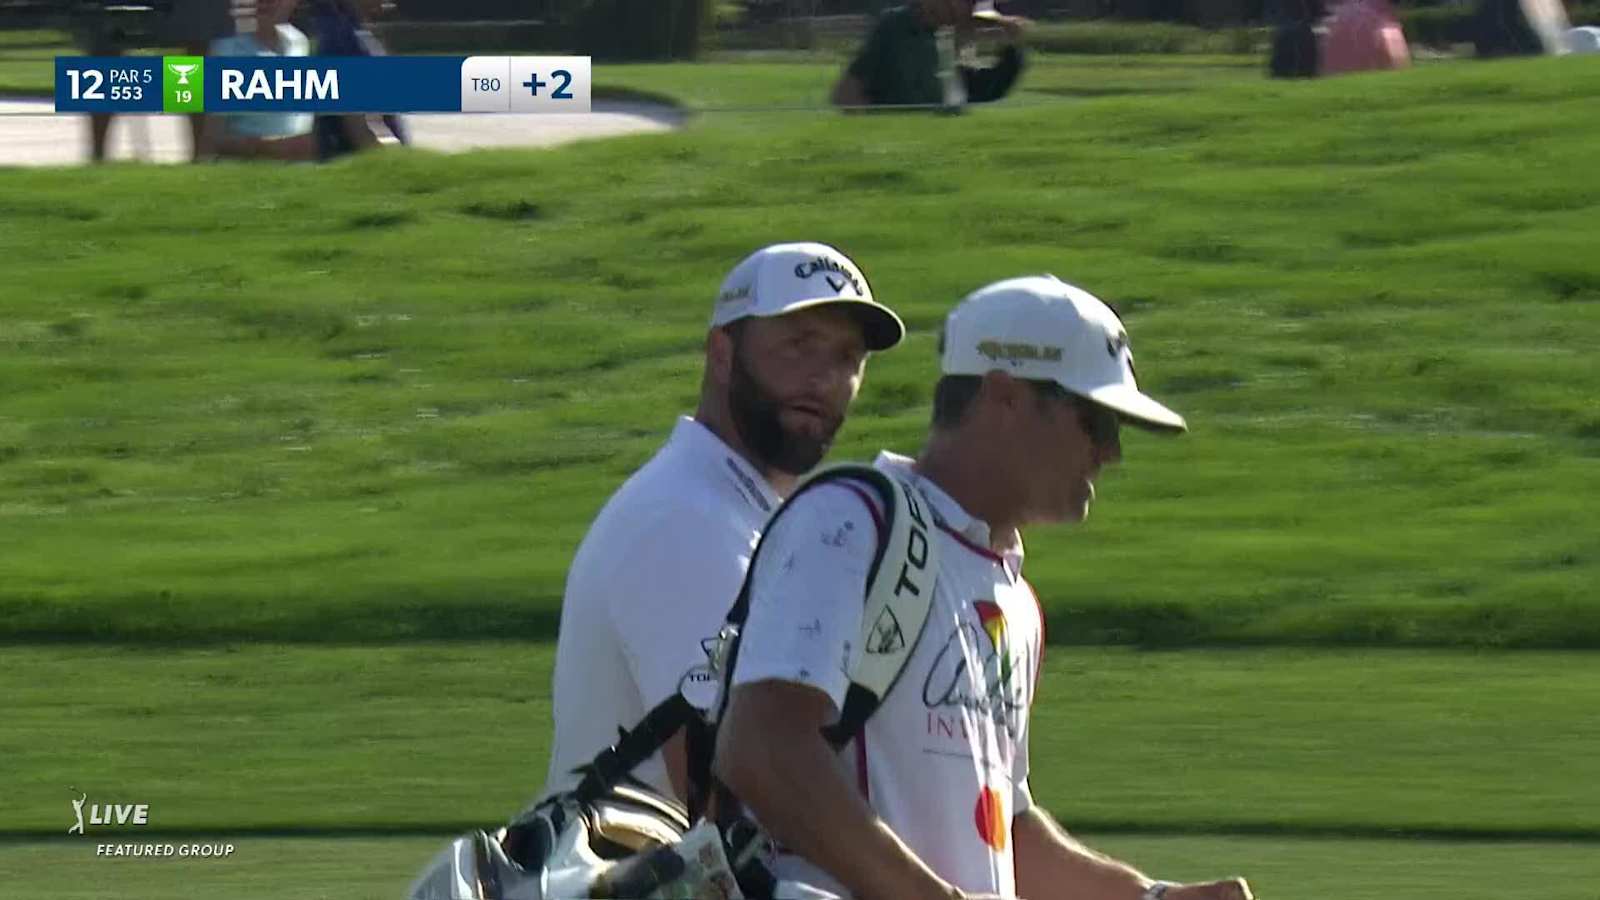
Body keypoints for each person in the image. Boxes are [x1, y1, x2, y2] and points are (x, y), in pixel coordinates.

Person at [714, 275, 1255, 900]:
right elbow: (761, 748)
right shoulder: (850, 522)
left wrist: (1151, 897)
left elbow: (1004, 829)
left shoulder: (1015, 601)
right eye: (1096, 421)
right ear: (1004, 397)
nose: (1111, 452)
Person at [540, 243, 906, 805]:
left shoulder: (739, 510)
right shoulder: (684, 523)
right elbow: (730, 788)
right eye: (798, 345)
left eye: (847, 358)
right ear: (722, 354)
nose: (824, 378)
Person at [832, 0, 1029, 110]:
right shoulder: (897, 27)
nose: (967, 16)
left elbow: (985, 90)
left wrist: (1012, 47)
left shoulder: (945, 36)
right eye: (967, 6)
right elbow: (847, 92)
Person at [197, 0, 317, 161]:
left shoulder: (298, 43)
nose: (268, 4)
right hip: (248, 168)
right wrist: (268, 147)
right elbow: (210, 141)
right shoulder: (227, 50)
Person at [308, 0, 409, 160]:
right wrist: (398, 164)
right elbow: (359, 126)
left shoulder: (352, 33)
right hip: (357, 165)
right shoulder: (343, 40)